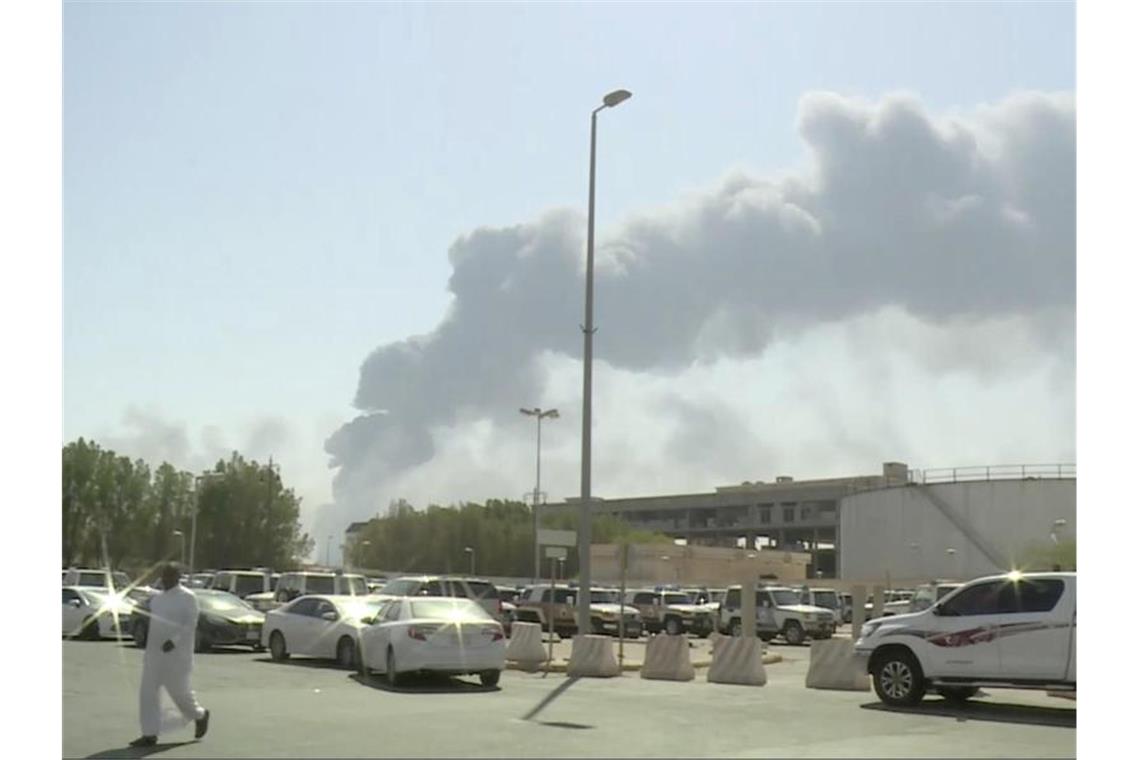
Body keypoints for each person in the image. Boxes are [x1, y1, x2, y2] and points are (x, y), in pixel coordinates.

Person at [129, 563, 210, 748]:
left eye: (168, 576)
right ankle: (149, 734)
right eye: (163, 576)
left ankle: (200, 715)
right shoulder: (157, 599)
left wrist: (174, 641)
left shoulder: (188, 598)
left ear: (177, 577)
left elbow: (191, 624)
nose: (164, 580)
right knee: (148, 694)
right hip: (154, 654)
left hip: (177, 656)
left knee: (180, 694)